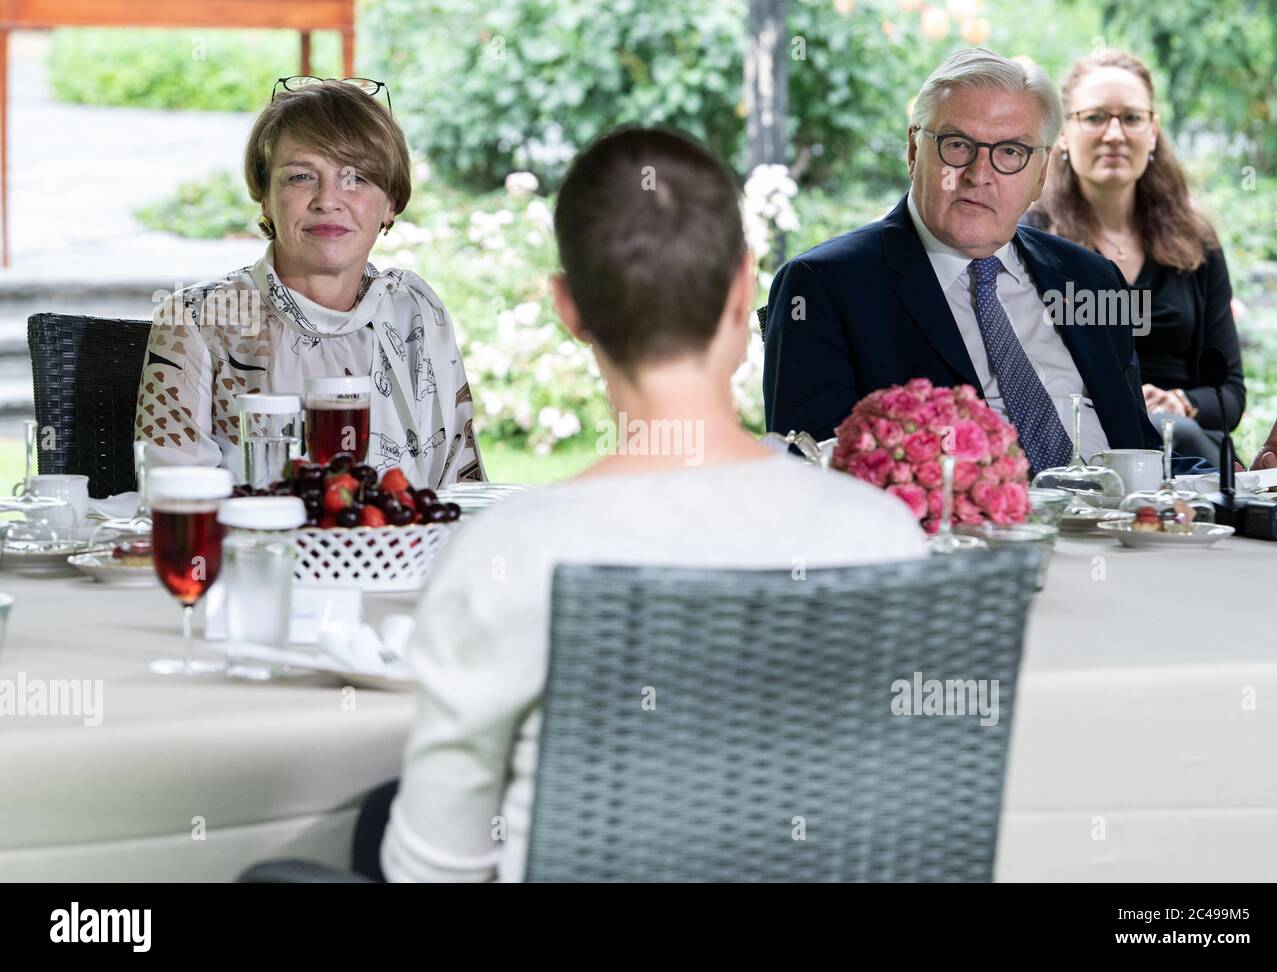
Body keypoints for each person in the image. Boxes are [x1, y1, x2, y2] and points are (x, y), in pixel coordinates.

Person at [379, 127, 927, 882]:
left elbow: (432, 868)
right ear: (744, 287)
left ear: (569, 308)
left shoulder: (508, 556)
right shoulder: (883, 536)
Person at [762, 47, 1206, 476]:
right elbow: (813, 474)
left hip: (1122, 536)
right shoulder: (824, 285)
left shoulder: (1092, 280)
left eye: (1010, 152)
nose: (979, 174)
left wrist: (1243, 484)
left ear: (1041, 173)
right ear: (915, 150)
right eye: (957, 145)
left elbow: (1141, 453)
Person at [134, 78, 483, 486]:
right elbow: (175, 503)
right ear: (264, 196)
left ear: (391, 203)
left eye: (356, 179)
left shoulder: (417, 312)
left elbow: (465, 490)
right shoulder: (195, 321)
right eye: (301, 177)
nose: (327, 200)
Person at [1022, 49, 1244, 464]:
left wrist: (1181, 403)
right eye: (1094, 117)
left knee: (1172, 431)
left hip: (1187, 450)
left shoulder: (1197, 241)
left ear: (1153, 130)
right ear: (1064, 133)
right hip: (1080, 449)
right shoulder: (1029, 240)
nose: (1114, 134)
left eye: (1131, 118)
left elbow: (1230, 393)